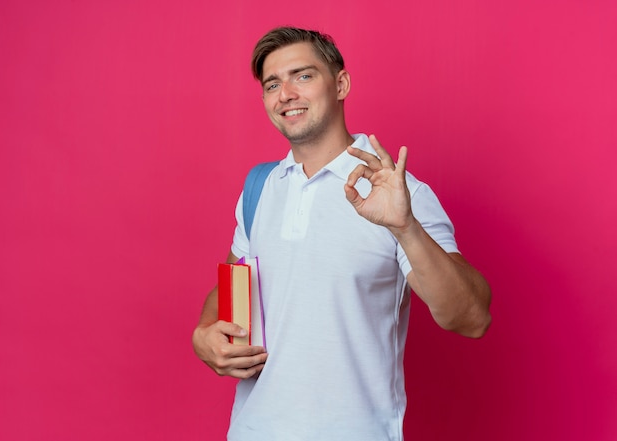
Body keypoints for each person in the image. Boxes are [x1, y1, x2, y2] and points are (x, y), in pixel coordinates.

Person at [192, 26, 492, 441]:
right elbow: (231, 282)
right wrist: (205, 332)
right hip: (252, 430)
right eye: (272, 84)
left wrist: (405, 227)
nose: (286, 94)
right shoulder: (259, 187)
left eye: (303, 75)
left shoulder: (399, 192)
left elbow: (472, 318)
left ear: (341, 84)